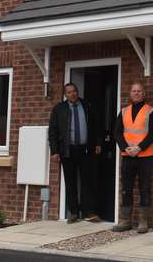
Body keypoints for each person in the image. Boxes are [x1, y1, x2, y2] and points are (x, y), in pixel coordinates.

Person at [48, 82, 102, 223]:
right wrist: (54, 151)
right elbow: (52, 131)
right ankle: (73, 212)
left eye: (74, 91)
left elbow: (96, 125)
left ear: (77, 92)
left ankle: (89, 212)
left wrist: (97, 143)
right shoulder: (59, 109)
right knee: (70, 182)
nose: (73, 94)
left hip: (85, 149)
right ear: (65, 94)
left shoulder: (87, 106)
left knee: (87, 181)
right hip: (68, 151)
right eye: (69, 92)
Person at [112, 82, 153, 234]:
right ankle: (125, 220)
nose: (137, 93)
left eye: (139, 91)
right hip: (127, 155)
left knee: (144, 187)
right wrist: (126, 147)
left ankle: (143, 222)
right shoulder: (124, 111)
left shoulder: (151, 111)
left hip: (145, 156)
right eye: (134, 91)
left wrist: (139, 148)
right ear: (130, 93)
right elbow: (117, 133)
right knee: (126, 188)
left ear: (143, 93)